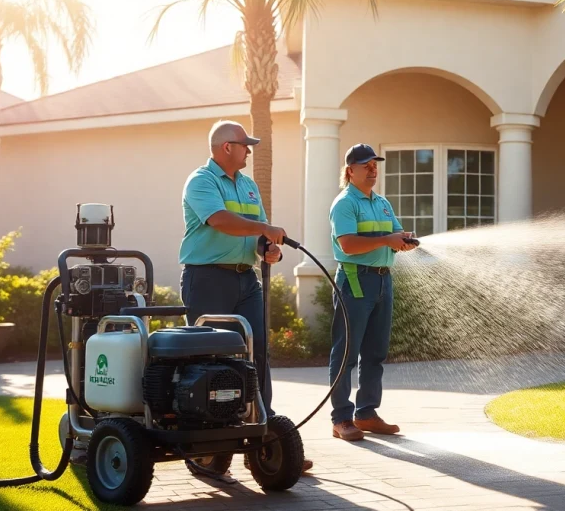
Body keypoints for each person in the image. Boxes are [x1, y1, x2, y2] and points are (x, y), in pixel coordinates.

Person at [179, 119, 312, 472]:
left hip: (246, 281)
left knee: (257, 354)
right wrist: (264, 230)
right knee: (209, 358)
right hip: (207, 279)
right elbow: (220, 220)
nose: (249, 151)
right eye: (244, 145)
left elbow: (259, 236)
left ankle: (264, 439)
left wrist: (269, 250)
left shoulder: (249, 186)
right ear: (226, 148)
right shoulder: (201, 181)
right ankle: (204, 445)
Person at [327, 143, 417, 441]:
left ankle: (366, 413)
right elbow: (348, 245)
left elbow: (395, 234)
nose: (372, 169)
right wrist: (387, 240)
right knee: (346, 354)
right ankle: (341, 419)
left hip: (382, 280)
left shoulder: (382, 203)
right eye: (366, 165)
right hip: (355, 280)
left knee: (375, 353)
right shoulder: (344, 203)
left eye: (375, 164)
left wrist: (404, 240)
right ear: (350, 171)